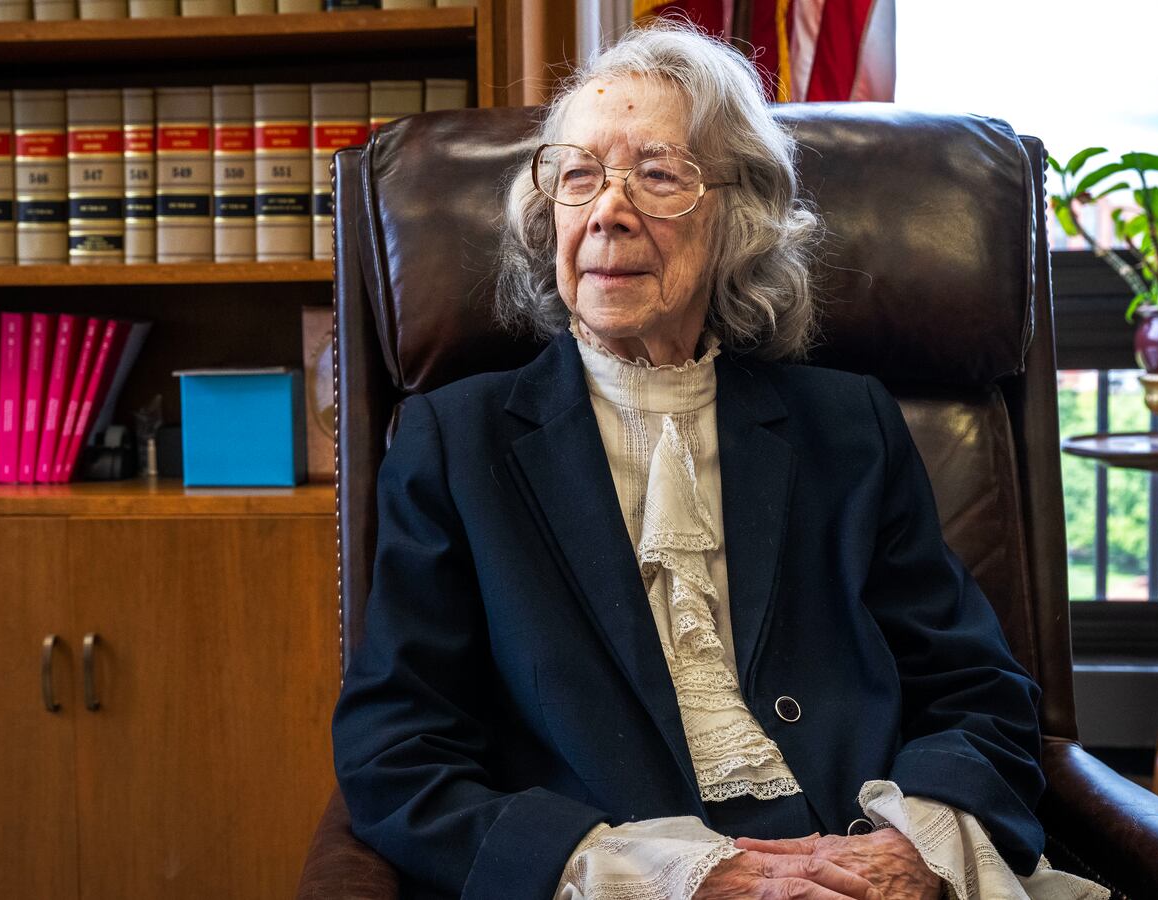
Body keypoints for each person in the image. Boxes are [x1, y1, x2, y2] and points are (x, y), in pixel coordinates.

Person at [331, 21, 1107, 900]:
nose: (607, 210)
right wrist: (659, 876)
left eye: (658, 174)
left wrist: (917, 849)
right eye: (578, 175)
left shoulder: (848, 427)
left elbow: (976, 689)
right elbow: (397, 750)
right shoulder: (453, 443)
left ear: (736, 219)